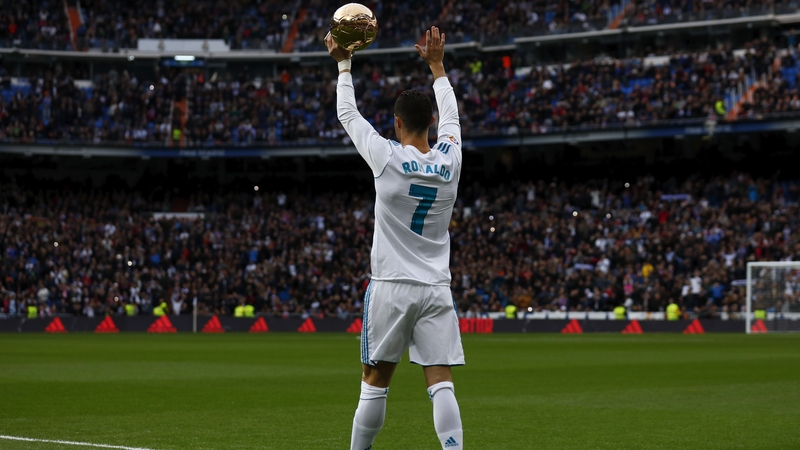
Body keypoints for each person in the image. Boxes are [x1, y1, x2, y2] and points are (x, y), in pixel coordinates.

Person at [328, 26, 465, 450]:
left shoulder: (387, 157)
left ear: (397, 123)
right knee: (441, 381)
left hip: (390, 287)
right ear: (432, 125)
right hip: (435, 288)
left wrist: (344, 62)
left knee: (375, 381)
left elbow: (347, 115)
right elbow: (454, 119)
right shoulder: (452, 159)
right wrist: (438, 67)